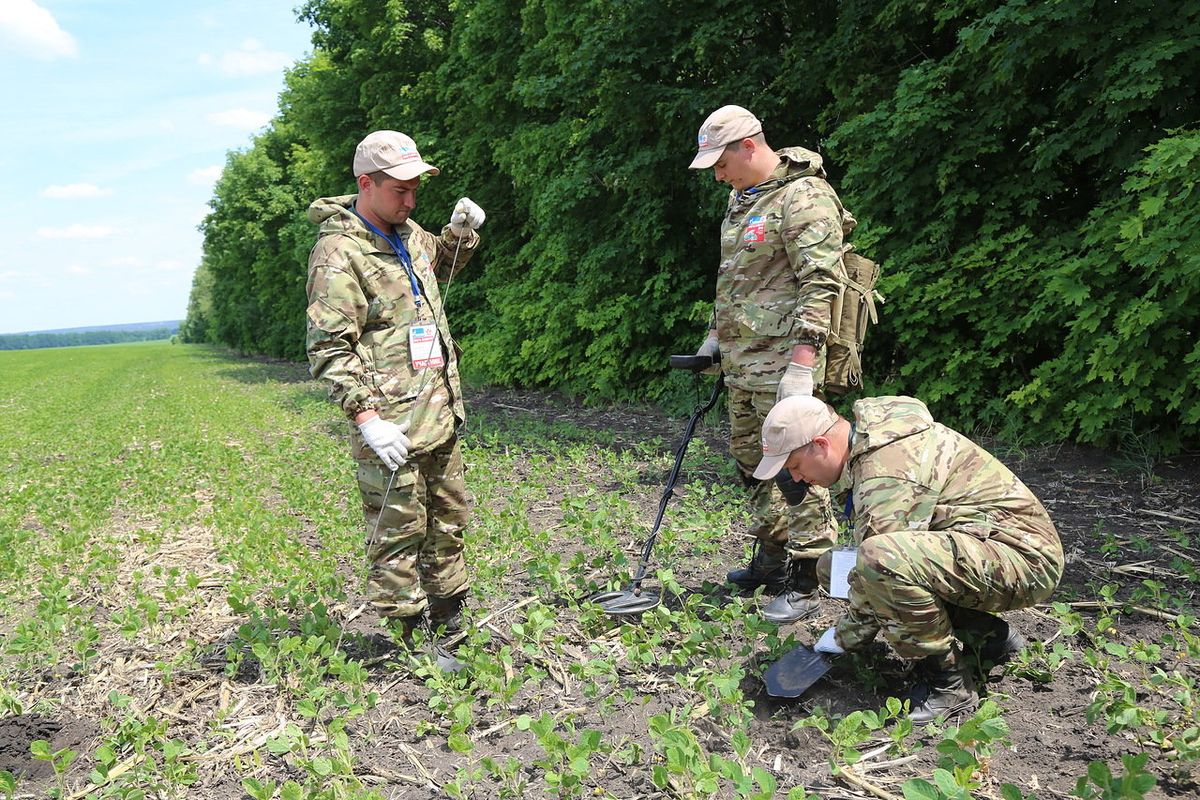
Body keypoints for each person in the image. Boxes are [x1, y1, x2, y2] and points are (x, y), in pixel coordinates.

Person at [752, 395, 1064, 722]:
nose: (798, 479)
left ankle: (947, 684)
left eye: (795, 467)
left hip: (1025, 559)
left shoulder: (885, 471)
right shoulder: (868, 444)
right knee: (832, 567)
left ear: (819, 444)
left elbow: (881, 564)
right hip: (990, 549)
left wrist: (841, 639)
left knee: (878, 560)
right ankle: (988, 639)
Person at [305, 130, 486, 643]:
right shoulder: (339, 253)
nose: (410, 201)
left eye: (416, 190)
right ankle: (406, 638)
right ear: (366, 183)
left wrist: (458, 233)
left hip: (439, 411)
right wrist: (367, 419)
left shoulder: (406, 232)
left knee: (448, 521)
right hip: (391, 425)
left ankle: (450, 623)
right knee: (398, 534)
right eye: (400, 190)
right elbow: (329, 348)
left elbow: (442, 266)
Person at [688, 104, 854, 623]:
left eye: (721, 162)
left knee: (797, 467)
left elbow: (822, 280)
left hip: (786, 363)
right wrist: (716, 338)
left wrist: (803, 361)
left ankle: (808, 576)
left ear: (749, 146)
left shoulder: (802, 196)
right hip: (743, 362)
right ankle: (773, 555)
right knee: (750, 460)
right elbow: (733, 282)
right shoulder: (742, 201)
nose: (717, 174)